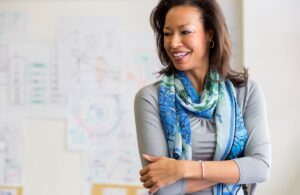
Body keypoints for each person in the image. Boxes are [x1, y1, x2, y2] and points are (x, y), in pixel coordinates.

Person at [134, 0, 271, 194]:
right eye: (167, 33)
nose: (173, 43)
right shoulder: (150, 99)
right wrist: (236, 171)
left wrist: (183, 169)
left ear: (210, 33)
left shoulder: (246, 92)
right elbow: (164, 190)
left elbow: (260, 167)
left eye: (185, 31)